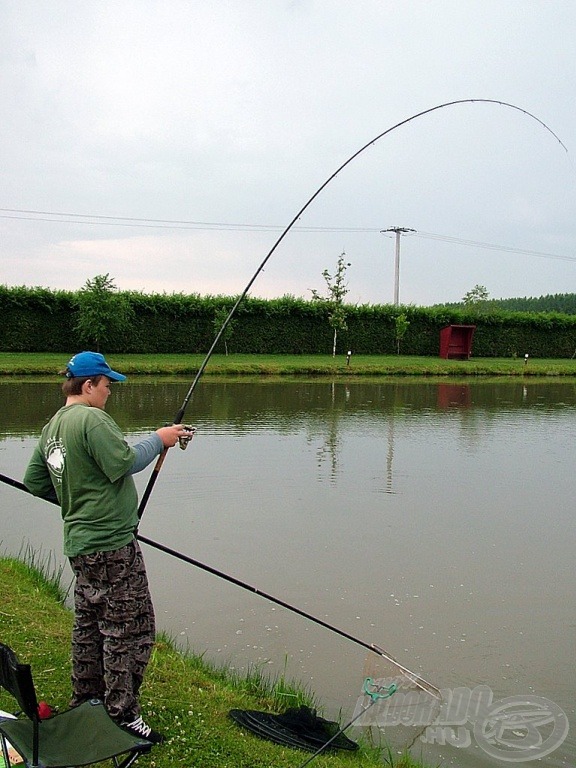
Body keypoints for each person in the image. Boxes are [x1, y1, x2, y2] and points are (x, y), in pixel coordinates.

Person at [24, 351, 188, 744]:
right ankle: (122, 716)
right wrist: (161, 438)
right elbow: (124, 461)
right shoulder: (91, 418)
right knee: (129, 630)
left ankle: (86, 699)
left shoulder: (54, 426)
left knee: (89, 626)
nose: (109, 391)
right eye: (106, 384)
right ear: (87, 385)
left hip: (80, 546)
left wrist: (77, 500)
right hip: (113, 546)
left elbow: (35, 481)